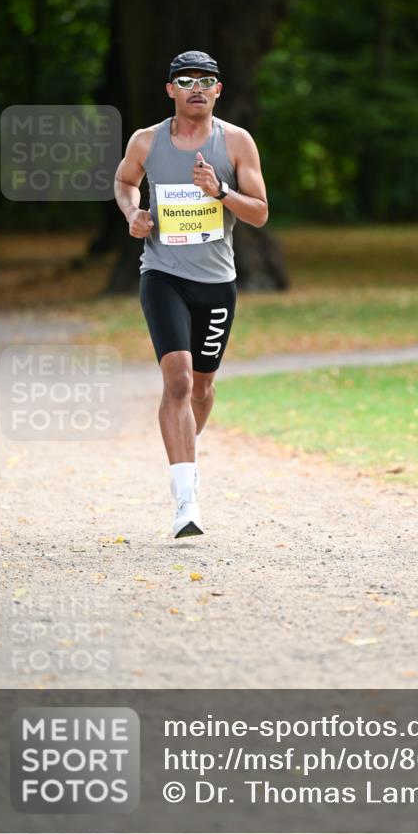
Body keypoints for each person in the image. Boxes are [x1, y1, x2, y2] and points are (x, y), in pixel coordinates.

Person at [113, 50, 268, 538]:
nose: (196, 87)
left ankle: (184, 456)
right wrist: (132, 213)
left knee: (202, 387)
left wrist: (219, 191)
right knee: (177, 382)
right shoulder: (147, 141)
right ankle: (186, 500)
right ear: (170, 90)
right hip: (163, 274)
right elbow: (124, 182)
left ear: (218, 90)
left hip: (217, 283)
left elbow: (260, 212)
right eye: (185, 80)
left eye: (206, 80)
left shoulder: (237, 142)